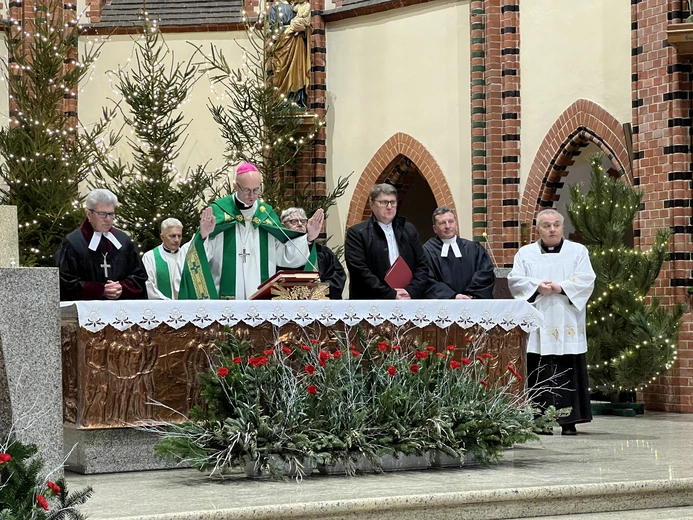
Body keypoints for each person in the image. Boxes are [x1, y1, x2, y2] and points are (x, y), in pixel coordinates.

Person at [178, 161, 323, 300]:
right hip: (225, 302)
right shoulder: (219, 211)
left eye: (256, 190)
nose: (252, 196)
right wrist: (203, 235)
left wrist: (309, 238)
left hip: (261, 300)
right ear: (235, 186)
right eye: (247, 190)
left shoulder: (265, 214)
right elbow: (200, 257)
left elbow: (283, 254)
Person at [508, 209, 596, 435]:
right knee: (540, 369)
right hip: (539, 320)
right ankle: (540, 421)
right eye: (546, 225)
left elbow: (587, 279)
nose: (552, 229)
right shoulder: (525, 254)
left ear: (562, 227)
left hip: (567, 319)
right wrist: (537, 286)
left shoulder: (578, 251)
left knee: (569, 367)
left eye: (556, 224)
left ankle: (570, 421)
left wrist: (562, 287)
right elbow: (515, 281)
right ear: (538, 229)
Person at [56, 188, 147, 301]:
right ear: (88, 214)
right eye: (102, 214)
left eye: (111, 214)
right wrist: (100, 290)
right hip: (86, 312)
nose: (108, 219)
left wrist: (121, 288)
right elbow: (65, 282)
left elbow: (139, 277)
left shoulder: (123, 241)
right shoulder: (73, 243)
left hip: (120, 311)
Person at [344, 183, 429, 300]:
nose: (389, 207)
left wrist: (411, 291)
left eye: (393, 202)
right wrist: (390, 294)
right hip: (372, 301)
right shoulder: (357, 233)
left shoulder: (408, 230)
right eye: (384, 202)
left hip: (407, 299)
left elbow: (422, 265)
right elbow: (359, 271)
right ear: (372, 204)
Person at [423, 206, 496, 299]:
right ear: (435, 229)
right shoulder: (427, 251)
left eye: (451, 221)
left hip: (473, 302)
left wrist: (470, 295)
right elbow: (427, 280)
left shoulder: (473, 248)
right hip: (443, 306)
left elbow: (486, 273)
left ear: (456, 224)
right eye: (442, 223)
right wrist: (453, 296)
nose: (447, 226)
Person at [279, 207, 346, 299]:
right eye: (294, 221)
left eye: (303, 221)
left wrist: (320, 290)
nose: (299, 224)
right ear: (283, 226)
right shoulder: (280, 253)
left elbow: (337, 276)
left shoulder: (322, 252)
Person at [268, 0, 311, 107]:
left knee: (298, 70)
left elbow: (308, 25)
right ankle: (280, 100)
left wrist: (304, 30)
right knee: (279, 70)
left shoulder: (300, 6)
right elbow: (272, 29)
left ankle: (297, 99)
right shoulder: (276, 7)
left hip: (298, 42)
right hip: (282, 42)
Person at [142, 218, 190, 300]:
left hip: (185, 307)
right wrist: (167, 302)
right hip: (161, 307)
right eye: (172, 236)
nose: (177, 240)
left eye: (179, 236)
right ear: (162, 237)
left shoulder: (186, 256)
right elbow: (148, 285)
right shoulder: (150, 257)